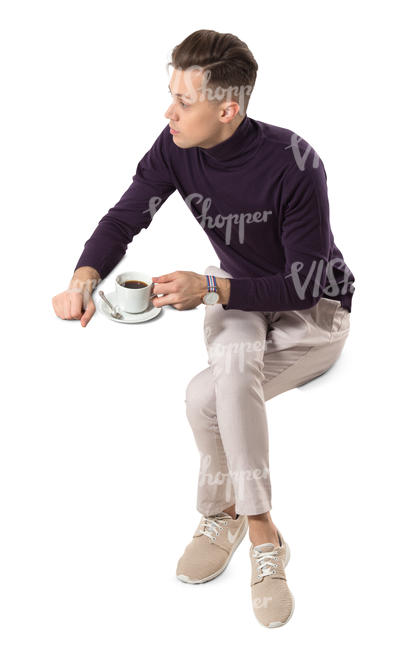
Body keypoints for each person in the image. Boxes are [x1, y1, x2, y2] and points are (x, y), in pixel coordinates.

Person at [52, 29, 355, 628]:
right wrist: (84, 277)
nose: (169, 112)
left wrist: (210, 288)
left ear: (227, 109)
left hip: (313, 310)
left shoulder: (295, 162)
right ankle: (256, 530)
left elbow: (305, 283)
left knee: (203, 396)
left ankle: (244, 525)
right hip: (238, 290)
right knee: (226, 375)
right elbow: (124, 216)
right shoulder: (175, 147)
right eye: (170, 95)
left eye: (182, 102)